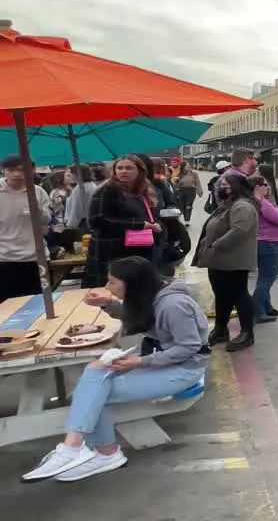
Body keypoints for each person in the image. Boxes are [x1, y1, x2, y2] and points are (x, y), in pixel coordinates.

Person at [21, 256, 209, 483]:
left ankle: (99, 452)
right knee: (94, 370)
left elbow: (189, 347)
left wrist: (141, 362)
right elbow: (140, 315)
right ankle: (76, 447)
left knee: (94, 393)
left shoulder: (173, 305)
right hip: (165, 362)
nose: (107, 286)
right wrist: (106, 304)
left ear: (132, 283)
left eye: (112, 282)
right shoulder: (153, 296)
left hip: (184, 370)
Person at [193, 172, 260, 352]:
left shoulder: (243, 205)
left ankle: (247, 333)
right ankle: (221, 330)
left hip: (233, 260)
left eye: (225, 184)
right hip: (218, 260)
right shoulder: (228, 204)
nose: (220, 187)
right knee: (221, 296)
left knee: (239, 295)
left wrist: (216, 245)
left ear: (236, 186)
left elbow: (240, 230)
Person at [85, 155, 161, 289]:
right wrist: (139, 225)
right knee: (114, 291)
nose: (123, 171)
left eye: (129, 168)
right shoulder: (107, 190)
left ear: (140, 171)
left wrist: (154, 224)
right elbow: (97, 221)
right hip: (112, 252)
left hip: (136, 249)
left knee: (136, 291)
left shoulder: (139, 190)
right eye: (119, 168)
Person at [0, 155, 51, 301]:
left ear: (32, 171)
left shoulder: (37, 191)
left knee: (39, 303)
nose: (17, 174)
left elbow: (46, 221)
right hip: (5, 258)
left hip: (36, 257)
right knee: (7, 307)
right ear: (4, 171)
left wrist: (39, 210)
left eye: (22, 170)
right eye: (12, 170)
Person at [250, 174, 278, 324]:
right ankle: (258, 311)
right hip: (270, 242)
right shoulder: (263, 203)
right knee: (267, 278)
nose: (268, 187)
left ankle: (266, 306)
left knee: (263, 277)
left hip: (261, 242)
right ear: (257, 187)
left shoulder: (254, 202)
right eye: (265, 185)